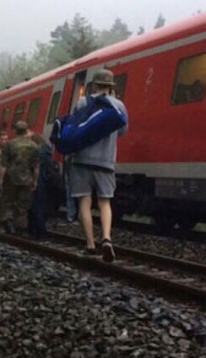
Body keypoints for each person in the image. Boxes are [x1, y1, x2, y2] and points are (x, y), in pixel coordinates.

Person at [69, 69, 129, 261]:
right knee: (105, 202)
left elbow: (73, 127)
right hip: (106, 162)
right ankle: (106, 238)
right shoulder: (119, 105)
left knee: (84, 202)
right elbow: (122, 131)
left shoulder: (82, 102)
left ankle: (90, 244)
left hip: (81, 160)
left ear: (94, 85)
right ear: (111, 87)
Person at [0, 120, 39, 235]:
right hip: (27, 179)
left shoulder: (9, 144)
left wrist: (1, 179)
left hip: (11, 178)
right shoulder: (34, 146)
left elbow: (3, 165)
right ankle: (21, 228)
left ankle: (9, 223)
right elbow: (36, 167)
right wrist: (35, 180)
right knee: (23, 205)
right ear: (26, 130)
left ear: (15, 131)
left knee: (8, 201)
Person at [27, 133, 56, 240]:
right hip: (44, 182)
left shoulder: (40, 153)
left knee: (36, 208)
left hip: (40, 183)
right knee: (37, 208)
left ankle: (39, 233)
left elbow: (37, 168)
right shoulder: (47, 151)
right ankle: (37, 232)